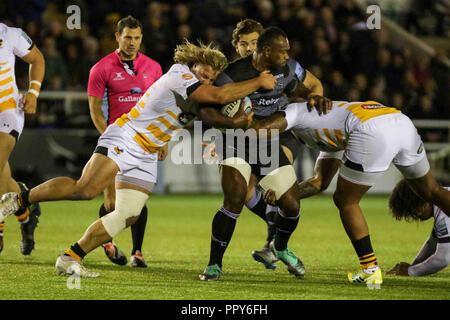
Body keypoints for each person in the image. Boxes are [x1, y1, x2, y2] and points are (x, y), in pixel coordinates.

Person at [0, 40, 277, 277]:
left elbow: (213, 112)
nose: (207, 79)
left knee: (128, 215)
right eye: (205, 73)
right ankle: (19, 199)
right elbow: (220, 95)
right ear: (195, 65)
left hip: (147, 152)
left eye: (212, 77)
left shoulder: (200, 90)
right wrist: (258, 82)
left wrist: (241, 120)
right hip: (126, 136)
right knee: (85, 190)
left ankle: (71, 258)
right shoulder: (180, 74)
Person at [252, 99, 450, 286]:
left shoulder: (296, 110)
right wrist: (285, 195)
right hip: (400, 121)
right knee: (432, 190)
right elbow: (319, 183)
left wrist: (237, 130)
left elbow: (261, 128)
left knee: (346, 200)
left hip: (371, 128)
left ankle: (370, 268)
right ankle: (369, 268)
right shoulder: (329, 128)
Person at [198, 26, 331, 281]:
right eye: (283, 51)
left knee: (291, 203)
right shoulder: (233, 73)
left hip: (268, 140)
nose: (287, 55)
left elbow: (307, 87)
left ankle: (278, 247)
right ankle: (214, 265)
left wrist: (315, 97)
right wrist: (230, 124)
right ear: (267, 51)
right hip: (235, 140)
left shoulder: (287, 69)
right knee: (235, 196)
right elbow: (206, 110)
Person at [88, 15, 163, 268]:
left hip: (144, 143)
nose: (132, 42)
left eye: (137, 38)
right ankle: (106, 242)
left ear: (142, 38)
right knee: (111, 201)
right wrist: (110, 139)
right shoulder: (101, 68)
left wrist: (162, 139)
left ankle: (137, 252)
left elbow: (160, 108)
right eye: (128, 37)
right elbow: (96, 111)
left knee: (138, 200)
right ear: (117, 37)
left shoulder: (153, 67)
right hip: (116, 142)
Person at [0, 22, 44, 255]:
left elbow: (37, 59)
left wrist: (34, 92)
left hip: (7, 111)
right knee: (2, 175)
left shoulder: (9, 34)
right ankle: (26, 211)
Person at [387, 179, 450, 276]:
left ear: (424, 201)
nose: (413, 215)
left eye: (412, 210)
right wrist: (413, 266)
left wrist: (410, 271)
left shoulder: (443, 213)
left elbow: (443, 258)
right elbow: (432, 243)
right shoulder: (442, 199)